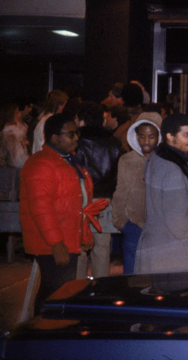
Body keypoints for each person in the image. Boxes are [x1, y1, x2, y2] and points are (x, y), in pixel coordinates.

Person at [20, 113, 103, 312]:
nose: (76, 138)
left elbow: (77, 203)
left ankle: (46, 333)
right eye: (71, 134)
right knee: (55, 292)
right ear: (55, 138)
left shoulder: (67, 160)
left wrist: (84, 234)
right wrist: (56, 243)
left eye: (77, 134)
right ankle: (42, 334)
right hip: (52, 242)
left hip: (65, 238)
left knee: (58, 291)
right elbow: (41, 208)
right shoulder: (41, 164)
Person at [135, 114, 188, 274]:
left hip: (155, 248)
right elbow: (178, 220)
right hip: (174, 254)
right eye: (186, 134)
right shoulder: (173, 169)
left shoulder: (155, 158)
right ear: (170, 137)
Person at [111, 112, 162, 274]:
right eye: (142, 136)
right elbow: (120, 193)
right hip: (133, 229)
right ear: (136, 137)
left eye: (151, 136)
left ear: (159, 137)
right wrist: (121, 222)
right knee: (131, 279)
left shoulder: (166, 161)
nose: (146, 141)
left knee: (157, 278)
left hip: (160, 230)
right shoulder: (127, 161)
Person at [0, 102, 29, 168]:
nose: (20, 114)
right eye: (17, 113)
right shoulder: (10, 134)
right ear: (10, 116)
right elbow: (16, 161)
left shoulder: (18, 131)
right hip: (14, 172)